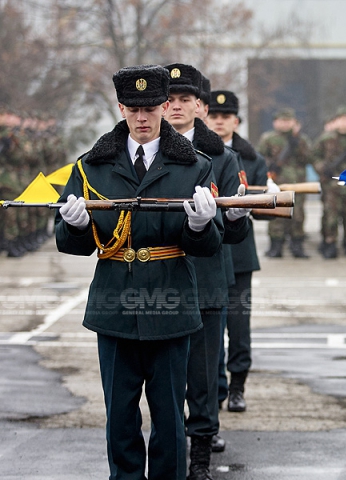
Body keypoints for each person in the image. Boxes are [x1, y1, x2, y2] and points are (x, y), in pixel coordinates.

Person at [55, 64, 229, 480]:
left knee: (170, 416)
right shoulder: (92, 167)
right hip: (115, 302)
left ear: (164, 106)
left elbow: (210, 245)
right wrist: (76, 227)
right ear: (120, 108)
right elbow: (69, 241)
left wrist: (201, 224)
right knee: (120, 416)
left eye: (151, 107)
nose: (142, 117)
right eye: (133, 109)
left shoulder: (193, 166)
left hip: (170, 300)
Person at [164, 63, 250, 479]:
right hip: (161, 280)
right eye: (171, 100)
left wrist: (233, 217)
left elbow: (237, 230)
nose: (177, 107)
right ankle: (168, 449)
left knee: (202, 376)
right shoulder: (146, 153)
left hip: (206, 280)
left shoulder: (222, 156)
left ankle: (200, 456)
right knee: (164, 378)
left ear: (201, 106)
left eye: (186, 100)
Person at [206, 89, 275, 417]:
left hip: (240, 251)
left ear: (237, 121)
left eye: (226, 117)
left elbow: (263, 207)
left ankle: (237, 386)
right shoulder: (198, 153)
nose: (219, 122)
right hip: (208, 250)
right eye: (214, 116)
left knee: (239, 324)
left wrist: (268, 198)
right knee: (210, 329)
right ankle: (215, 389)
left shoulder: (251, 157)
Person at [256, 108, 313, 258]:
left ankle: (297, 245)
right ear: (275, 122)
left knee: (298, 214)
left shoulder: (301, 140)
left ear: (294, 123)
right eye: (282, 121)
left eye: (288, 121)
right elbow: (259, 158)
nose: (285, 124)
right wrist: (271, 164)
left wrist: (297, 145)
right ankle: (276, 245)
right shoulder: (268, 138)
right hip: (276, 183)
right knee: (275, 213)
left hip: (297, 183)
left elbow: (308, 159)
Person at [314, 106, 346, 259]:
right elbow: (314, 156)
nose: (344, 123)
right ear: (335, 122)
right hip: (332, 185)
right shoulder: (325, 139)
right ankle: (330, 244)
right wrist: (323, 169)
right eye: (340, 120)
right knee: (331, 216)